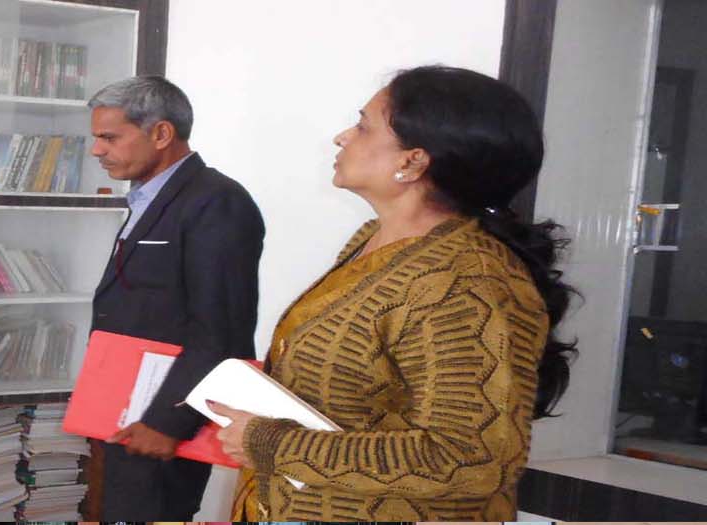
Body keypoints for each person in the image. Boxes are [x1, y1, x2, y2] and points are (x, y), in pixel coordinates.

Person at [212, 65, 576, 521]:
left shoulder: (464, 280)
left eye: (363, 126)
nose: (342, 137)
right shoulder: (376, 242)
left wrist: (275, 444)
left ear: (413, 161)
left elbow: (470, 458)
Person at [86, 75, 265, 520]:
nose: (96, 151)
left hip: (164, 419)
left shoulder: (217, 201)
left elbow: (222, 331)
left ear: (162, 133)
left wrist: (168, 422)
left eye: (110, 138)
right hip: (124, 409)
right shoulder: (149, 196)